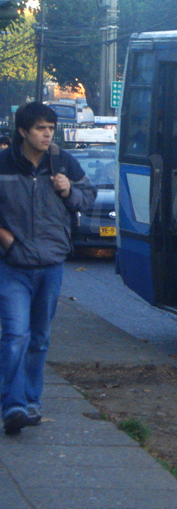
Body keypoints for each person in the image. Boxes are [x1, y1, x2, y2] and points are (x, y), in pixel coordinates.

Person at [0, 102, 97, 435]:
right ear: (24, 131)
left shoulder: (63, 162)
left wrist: (69, 191)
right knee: (15, 335)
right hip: (13, 266)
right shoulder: (4, 163)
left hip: (52, 264)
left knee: (39, 338)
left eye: (51, 129)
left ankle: (30, 402)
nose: (47, 134)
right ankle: (12, 405)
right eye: (41, 128)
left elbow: (89, 195)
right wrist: (6, 239)